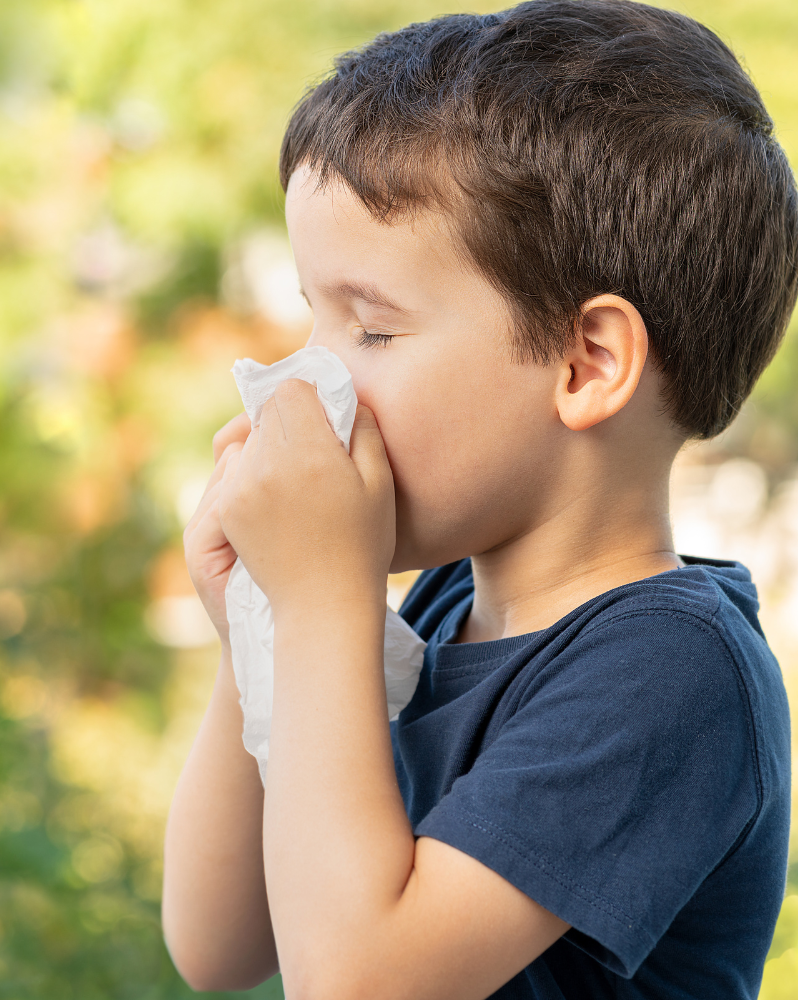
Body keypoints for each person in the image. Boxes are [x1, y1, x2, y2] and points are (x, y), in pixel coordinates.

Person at [162, 2, 798, 997]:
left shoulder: (671, 671)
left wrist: (325, 604)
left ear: (586, 364)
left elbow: (358, 983)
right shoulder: (444, 608)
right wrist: (265, 636)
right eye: (310, 314)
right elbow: (221, 946)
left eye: (370, 329)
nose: (305, 382)